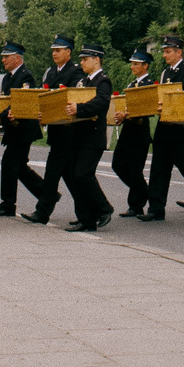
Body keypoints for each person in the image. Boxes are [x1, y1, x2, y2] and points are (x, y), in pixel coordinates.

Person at [21, 35, 86, 226]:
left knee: (58, 175)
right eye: (53, 51)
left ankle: (44, 212)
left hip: (69, 132)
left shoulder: (76, 72)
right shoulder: (50, 73)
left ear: (68, 52)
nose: (54, 54)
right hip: (56, 132)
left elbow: (73, 97)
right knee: (67, 176)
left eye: (58, 50)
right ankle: (92, 209)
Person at [140, 34, 184, 222]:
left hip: (180, 128)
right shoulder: (165, 73)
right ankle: (155, 209)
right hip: (164, 127)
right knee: (158, 169)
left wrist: (167, 102)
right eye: (164, 52)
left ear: (178, 52)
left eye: (168, 52)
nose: (164, 55)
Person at [60, 45, 116, 231]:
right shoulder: (83, 82)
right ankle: (86, 219)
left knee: (83, 174)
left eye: (85, 59)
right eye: (81, 59)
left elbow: (101, 102)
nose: (82, 63)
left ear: (96, 59)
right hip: (78, 136)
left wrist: (80, 108)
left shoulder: (103, 81)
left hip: (93, 137)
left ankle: (104, 208)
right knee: (75, 177)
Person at [0, 42, 43, 216]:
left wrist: (0, 117)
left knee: (9, 163)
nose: (3, 60)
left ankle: (8, 205)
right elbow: (6, 102)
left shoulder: (25, 77)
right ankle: (47, 194)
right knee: (19, 166)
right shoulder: (8, 78)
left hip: (24, 129)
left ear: (17, 58)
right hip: (14, 129)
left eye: (6, 57)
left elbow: (20, 103)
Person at [111, 49, 156, 217]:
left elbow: (146, 108)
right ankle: (144, 191)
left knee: (135, 169)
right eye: (132, 63)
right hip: (128, 131)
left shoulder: (148, 84)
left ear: (145, 66)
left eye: (136, 64)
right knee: (118, 164)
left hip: (139, 132)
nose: (132, 67)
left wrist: (127, 115)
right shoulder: (132, 84)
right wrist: (120, 116)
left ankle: (136, 205)